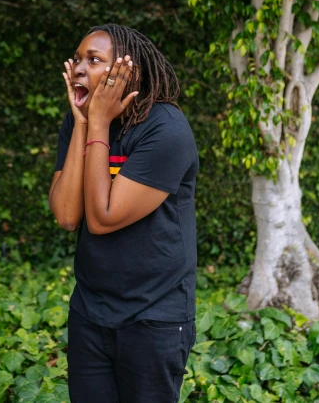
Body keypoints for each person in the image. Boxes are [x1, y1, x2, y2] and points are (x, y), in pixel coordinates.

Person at [48, 24, 198, 403]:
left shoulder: (166, 129)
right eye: (78, 58)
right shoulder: (78, 120)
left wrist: (97, 122)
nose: (79, 67)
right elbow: (67, 216)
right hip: (90, 312)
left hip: (153, 318)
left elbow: (102, 217)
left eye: (94, 60)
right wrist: (84, 123)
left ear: (126, 71)